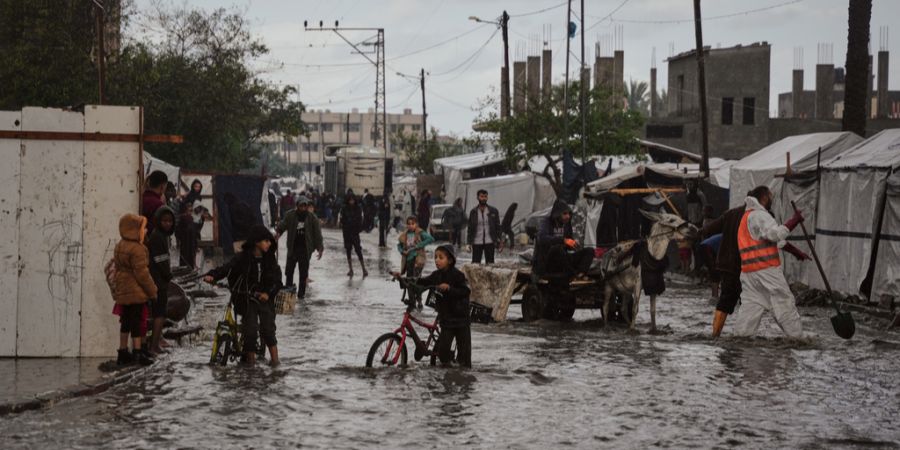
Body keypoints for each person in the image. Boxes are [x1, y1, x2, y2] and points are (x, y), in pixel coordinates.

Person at [732, 186, 810, 338]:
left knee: (750, 311)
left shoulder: (747, 217)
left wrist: (796, 252)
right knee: (784, 303)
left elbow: (771, 242)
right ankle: (798, 339)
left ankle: (740, 341)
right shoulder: (760, 215)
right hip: (767, 272)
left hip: (749, 274)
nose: (772, 202)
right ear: (765, 197)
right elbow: (775, 235)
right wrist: (794, 220)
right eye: (771, 198)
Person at [204, 225, 283, 366]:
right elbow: (227, 268)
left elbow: (277, 281)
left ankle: (275, 362)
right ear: (256, 241)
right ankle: (250, 365)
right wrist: (212, 275)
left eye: (270, 241)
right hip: (247, 299)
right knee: (250, 331)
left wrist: (268, 293)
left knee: (268, 330)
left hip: (265, 300)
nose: (269, 244)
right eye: (266, 241)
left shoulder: (270, 260)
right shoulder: (242, 258)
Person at [112, 213, 157, 366]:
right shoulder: (138, 249)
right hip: (136, 291)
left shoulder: (120, 245)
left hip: (122, 289)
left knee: (125, 321)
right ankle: (138, 353)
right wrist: (153, 291)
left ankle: (123, 352)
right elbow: (142, 275)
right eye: (142, 228)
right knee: (136, 322)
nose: (145, 231)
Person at [418, 245, 471, 368]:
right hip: (446, 319)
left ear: (450, 260)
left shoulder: (458, 275)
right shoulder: (436, 275)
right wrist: (405, 279)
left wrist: (449, 288)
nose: (437, 260)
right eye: (435, 257)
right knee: (443, 353)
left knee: (464, 356)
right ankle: (449, 375)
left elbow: (465, 291)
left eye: (441, 257)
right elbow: (424, 281)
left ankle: (464, 380)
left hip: (460, 319)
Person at [701, 204, 747, 338]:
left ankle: (716, 334)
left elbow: (708, 229)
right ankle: (741, 334)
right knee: (746, 299)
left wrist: (699, 231)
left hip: (725, 263)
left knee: (726, 298)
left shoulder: (729, 215)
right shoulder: (754, 216)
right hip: (740, 265)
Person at [533, 200, 594, 280]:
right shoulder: (546, 222)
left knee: (589, 251)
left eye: (569, 213)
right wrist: (563, 240)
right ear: (557, 214)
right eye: (565, 214)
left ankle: (580, 274)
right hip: (547, 260)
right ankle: (573, 274)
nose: (568, 216)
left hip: (563, 259)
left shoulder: (567, 224)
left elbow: (568, 242)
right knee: (557, 249)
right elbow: (542, 239)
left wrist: (573, 245)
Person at [276, 196, 324, 298]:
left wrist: (320, 248)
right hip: (293, 248)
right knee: (289, 272)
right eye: (301, 206)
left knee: (303, 273)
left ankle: (301, 295)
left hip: (305, 250)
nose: (303, 208)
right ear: (297, 206)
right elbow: (282, 226)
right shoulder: (290, 215)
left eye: (304, 206)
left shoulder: (312, 218)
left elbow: (317, 234)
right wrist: (278, 233)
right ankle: (289, 293)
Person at [146, 206, 175, 356]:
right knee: (159, 313)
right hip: (158, 281)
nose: (168, 224)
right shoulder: (157, 236)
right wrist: (168, 275)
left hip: (159, 280)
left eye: (170, 221)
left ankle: (155, 343)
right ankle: (154, 346)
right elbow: (160, 260)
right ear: (158, 221)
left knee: (160, 313)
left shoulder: (161, 235)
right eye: (164, 221)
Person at [397, 216, 435, 306]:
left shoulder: (420, 232)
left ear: (416, 224)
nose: (410, 226)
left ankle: (419, 300)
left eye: (412, 224)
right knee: (409, 281)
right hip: (408, 260)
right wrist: (402, 251)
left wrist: (419, 245)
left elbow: (430, 239)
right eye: (409, 224)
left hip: (418, 260)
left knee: (417, 280)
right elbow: (399, 245)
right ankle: (411, 300)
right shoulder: (405, 234)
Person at [467, 189, 501, 264]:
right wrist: (468, 243)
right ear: (478, 197)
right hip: (476, 242)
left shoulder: (493, 211)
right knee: (475, 265)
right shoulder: (473, 212)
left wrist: (499, 240)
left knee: (490, 264)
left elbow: (497, 226)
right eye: (482, 196)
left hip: (490, 241)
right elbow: (470, 228)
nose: (483, 198)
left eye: (485, 196)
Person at [339, 194, 368, 277]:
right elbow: (342, 219)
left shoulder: (358, 208)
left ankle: (363, 269)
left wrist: (358, 228)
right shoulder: (344, 208)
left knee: (358, 250)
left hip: (354, 232)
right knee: (348, 250)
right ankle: (351, 269)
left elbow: (360, 219)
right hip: (347, 232)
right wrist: (345, 224)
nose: (351, 201)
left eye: (353, 200)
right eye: (350, 200)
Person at [175, 200, 200, 269]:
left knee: (189, 254)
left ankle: (189, 267)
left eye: (191, 208)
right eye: (189, 208)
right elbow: (178, 230)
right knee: (187, 254)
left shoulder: (191, 218)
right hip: (186, 239)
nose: (190, 210)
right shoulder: (184, 218)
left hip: (190, 239)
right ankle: (188, 268)